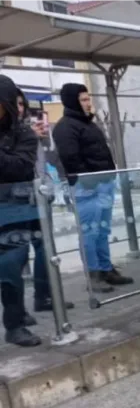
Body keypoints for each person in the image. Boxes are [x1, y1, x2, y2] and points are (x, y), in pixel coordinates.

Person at [53, 83, 133, 292]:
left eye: (88, 99)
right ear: (73, 101)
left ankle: (106, 269)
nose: (89, 103)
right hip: (86, 187)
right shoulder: (65, 127)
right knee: (89, 232)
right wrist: (90, 180)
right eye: (84, 99)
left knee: (102, 231)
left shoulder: (88, 124)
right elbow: (70, 157)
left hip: (103, 183)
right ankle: (94, 274)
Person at [15, 89, 72, 324]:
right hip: (16, 200)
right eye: (14, 103)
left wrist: (43, 137)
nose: (19, 108)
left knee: (45, 249)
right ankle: (16, 311)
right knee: (16, 255)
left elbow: (49, 156)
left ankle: (45, 296)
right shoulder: (9, 134)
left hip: (40, 195)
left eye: (21, 103)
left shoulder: (30, 129)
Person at [0, 76, 43, 346]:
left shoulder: (24, 134)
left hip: (15, 210)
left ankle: (14, 324)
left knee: (11, 266)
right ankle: (18, 313)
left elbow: (20, 167)